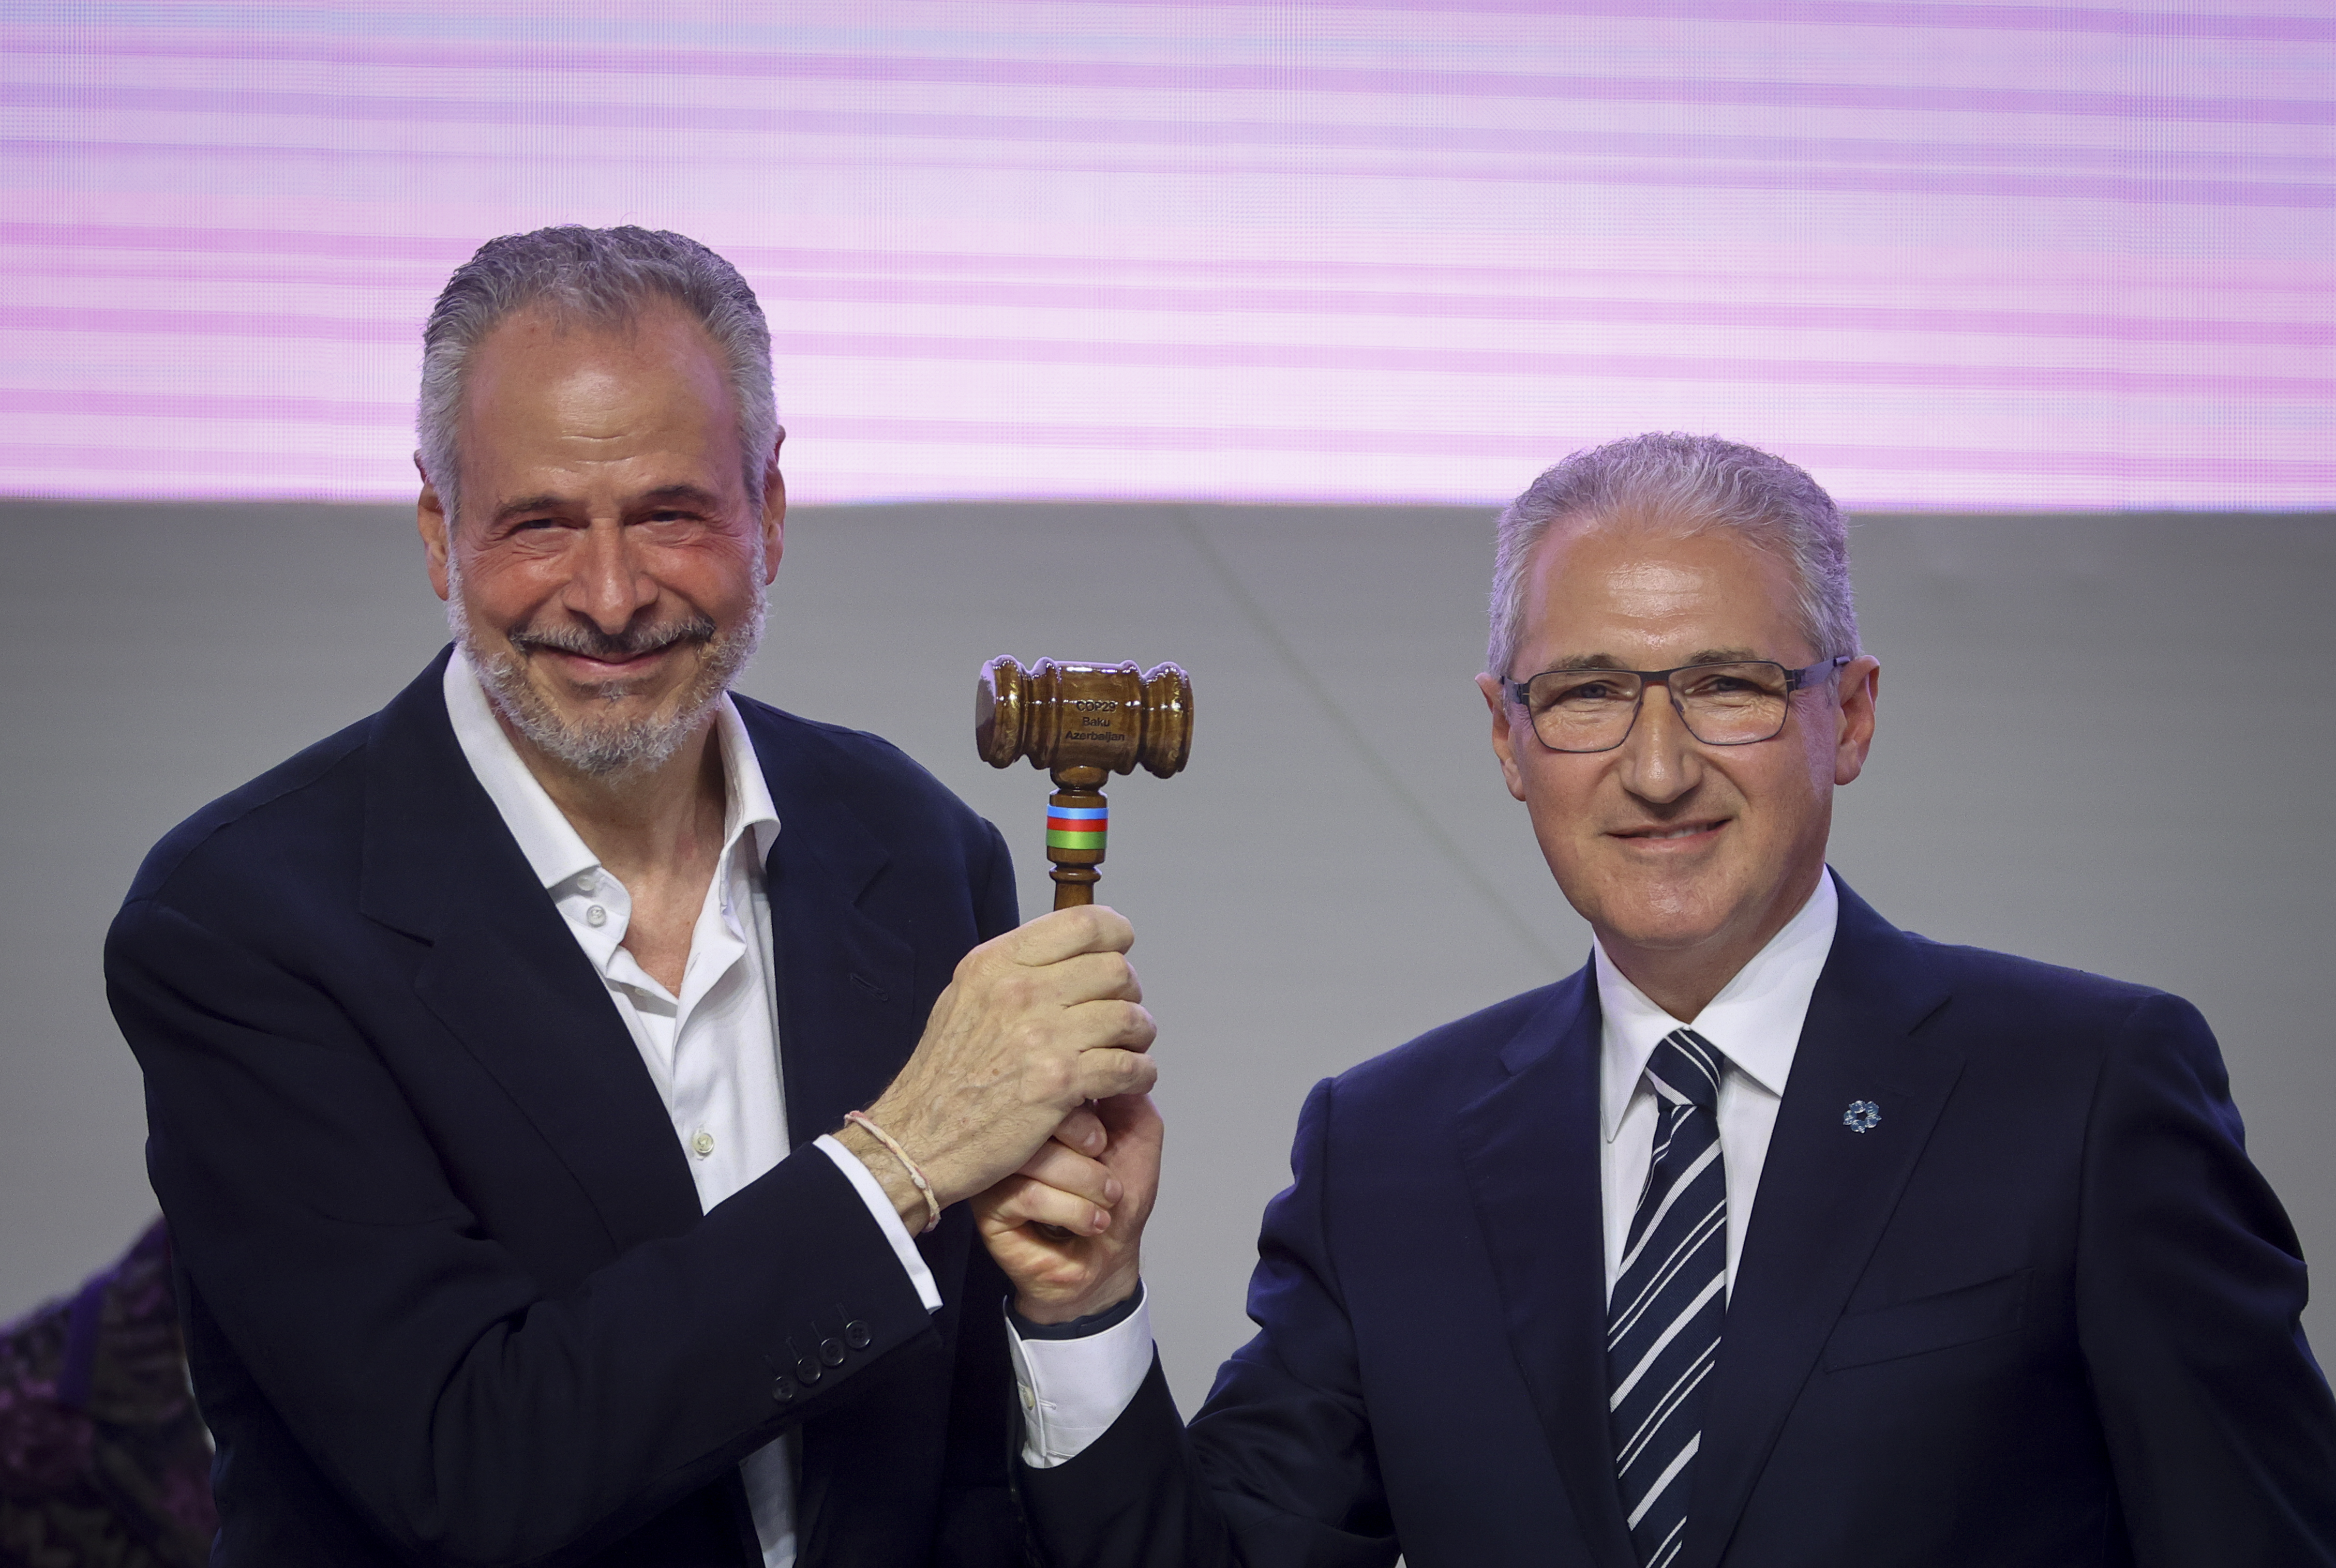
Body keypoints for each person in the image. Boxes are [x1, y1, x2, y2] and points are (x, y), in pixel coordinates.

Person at [975, 433, 2336, 1567]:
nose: (1658, 768)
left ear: (1852, 716)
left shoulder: (2085, 1094)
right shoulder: (1384, 1151)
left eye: (1727, 687)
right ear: (1508, 740)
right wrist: (1085, 1303)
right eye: (1586, 696)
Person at [104, 225, 1157, 1566]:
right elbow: (468, 1470)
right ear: (438, 532)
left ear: (768, 512)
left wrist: (1077, 1302)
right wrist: (897, 1162)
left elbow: (950, 1463)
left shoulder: (918, 847)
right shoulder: (238, 923)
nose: (609, 599)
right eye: (540, 524)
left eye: (670, 514)